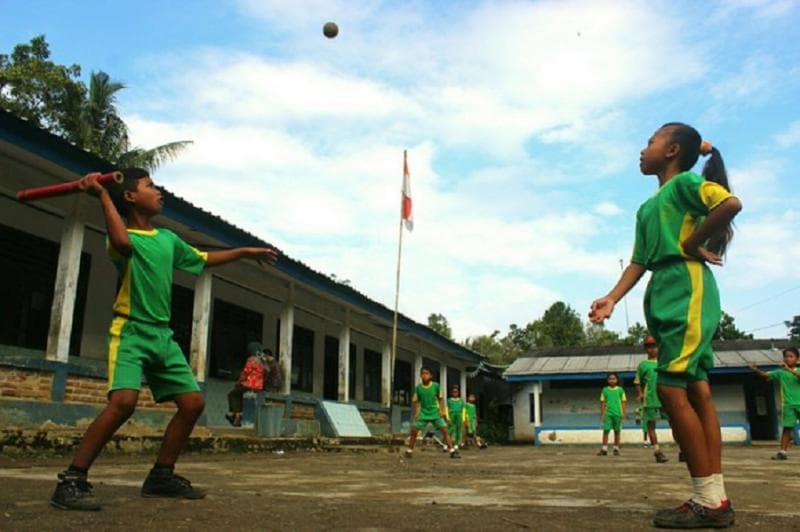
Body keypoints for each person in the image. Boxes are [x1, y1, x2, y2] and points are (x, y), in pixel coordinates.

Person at [50, 169, 278, 511]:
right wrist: (100, 196)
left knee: (192, 404)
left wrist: (243, 252)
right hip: (131, 331)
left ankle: (161, 476)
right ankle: (72, 479)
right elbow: (123, 244)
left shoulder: (168, 239)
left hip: (163, 336)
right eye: (150, 186)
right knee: (123, 402)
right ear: (129, 197)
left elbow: (202, 260)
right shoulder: (120, 235)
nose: (159, 192)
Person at [589, 123, 741, 528]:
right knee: (696, 389)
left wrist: (692, 245)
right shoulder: (648, 207)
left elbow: (729, 203)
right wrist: (611, 298)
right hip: (666, 289)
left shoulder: (687, 184)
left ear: (672, 150)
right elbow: (639, 261)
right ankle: (716, 497)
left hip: (687, 289)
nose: (643, 149)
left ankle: (706, 500)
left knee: (672, 389)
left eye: (650, 142)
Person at [750, 347, 800, 460]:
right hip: (788, 405)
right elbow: (766, 375)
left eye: (791, 356)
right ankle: (782, 452)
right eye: (786, 357)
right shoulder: (781, 373)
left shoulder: (797, 371)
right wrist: (756, 370)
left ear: (797, 359)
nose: (788, 359)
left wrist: (789, 370)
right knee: (787, 428)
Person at [404, 367, 460, 459]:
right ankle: (409, 451)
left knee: (445, 430)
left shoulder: (436, 386)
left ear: (430, 376)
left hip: (435, 412)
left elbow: (441, 398)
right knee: (414, 431)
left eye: (426, 373)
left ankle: (452, 451)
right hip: (423, 413)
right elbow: (415, 401)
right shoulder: (418, 388)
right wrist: (416, 412)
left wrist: (442, 411)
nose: (424, 375)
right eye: (422, 373)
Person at [635, 335, 669, 463]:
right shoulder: (643, 365)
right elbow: (637, 381)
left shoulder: (665, 362)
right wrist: (640, 393)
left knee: (674, 422)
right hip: (650, 399)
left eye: (654, 345)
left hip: (666, 397)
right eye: (648, 346)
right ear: (645, 349)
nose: (652, 349)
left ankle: (683, 449)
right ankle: (657, 451)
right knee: (651, 424)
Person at [225, 341, 267, 427]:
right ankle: (237, 416)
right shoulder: (262, 362)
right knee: (239, 394)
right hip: (258, 386)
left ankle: (236, 415)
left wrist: (238, 382)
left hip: (249, 385)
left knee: (232, 394)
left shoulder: (251, 360)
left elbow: (244, 374)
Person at [598, 372, 626, 456]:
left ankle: (616, 449)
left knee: (617, 431)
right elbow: (602, 402)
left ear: (617, 380)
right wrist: (602, 414)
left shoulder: (620, 390)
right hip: (608, 414)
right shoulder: (605, 390)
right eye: (610, 379)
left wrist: (623, 413)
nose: (612, 380)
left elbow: (623, 402)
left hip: (618, 414)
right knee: (606, 431)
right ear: (607, 380)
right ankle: (604, 449)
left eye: (614, 378)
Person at [446, 385, 466, 450]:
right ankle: (447, 443)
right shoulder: (449, 400)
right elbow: (446, 409)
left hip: (459, 415)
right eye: (454, 392)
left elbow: (463, 410)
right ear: (451, 393)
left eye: (456, 392)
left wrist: (463, 419)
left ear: (458, 393)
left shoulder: (461, 401)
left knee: (458, 430)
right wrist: (447, 418)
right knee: (450, 430)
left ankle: (456, 444)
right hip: (451, 415)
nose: (455, 393)